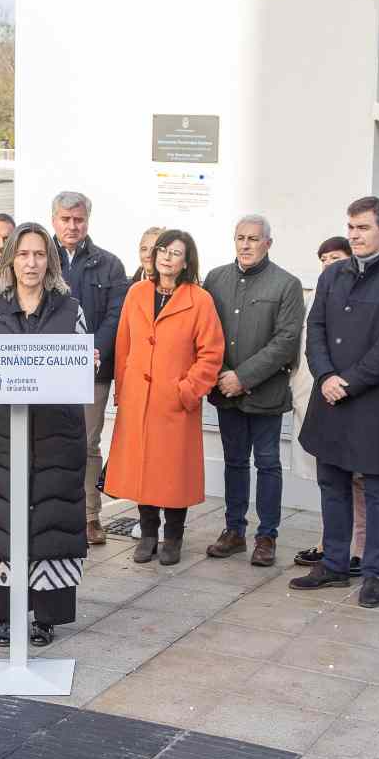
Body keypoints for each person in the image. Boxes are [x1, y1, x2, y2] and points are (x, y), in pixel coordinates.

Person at [289, 197, 379, 609]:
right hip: (329, 398)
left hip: (373, 402)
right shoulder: (332, 277)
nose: (354, 235)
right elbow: (317, 329)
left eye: (362, 228)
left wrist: (348, 382)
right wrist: (326, 377)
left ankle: (374, 573)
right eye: (350, 227)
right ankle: (333, 562)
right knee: (333, 485)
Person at [0, 221, 89, 647]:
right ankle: (4, 614)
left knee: (50, 521)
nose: (31, 262)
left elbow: (77, 370)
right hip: (1, 434)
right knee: (2, 521)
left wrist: (84, 362)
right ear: (10, 259)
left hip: (54, 434)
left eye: (39, 254)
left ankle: (45, 616)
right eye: (23, 254)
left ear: (50, 261)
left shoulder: (69, 308)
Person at [104, 229, 225, 566]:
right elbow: (123, 343)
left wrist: (186, 390)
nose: (167, 258)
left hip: (175, 403)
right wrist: (123, 389)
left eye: (176, 253)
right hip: (139, 401)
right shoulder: (137, 293)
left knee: (173, 473)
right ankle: (147, 534)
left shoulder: (200, 300)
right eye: (163, 251)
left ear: (187, 261)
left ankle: (173, 536)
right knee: (144, 471)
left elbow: (211, 354)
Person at [204, 214, 304, 566]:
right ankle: (234, 531)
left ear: (268, 243)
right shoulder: (215, 279)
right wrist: (221, 373)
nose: (245, 245)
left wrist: (243, 377)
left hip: (265, 392)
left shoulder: (286, 284)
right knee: (234, 462)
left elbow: (287, 341)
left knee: (267, 464)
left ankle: (267, 537)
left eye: (253, 239)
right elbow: (204, 332)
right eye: (240, 238)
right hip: (224, 390)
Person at [52, 191, 129, 546]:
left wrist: (92, 353)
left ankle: (89, 516)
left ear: (87, 221)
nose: (72, 225)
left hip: (93, 371)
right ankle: (50, 512)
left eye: (78, 219)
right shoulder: (39, 256)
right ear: (54, 220)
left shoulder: (109, 264)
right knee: (46, 440)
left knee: (86, 443)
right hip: (45, 369)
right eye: (66, 219)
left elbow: (116, 315)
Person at [291, 237, 367, 577]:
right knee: (329, 479)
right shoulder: (317, 296)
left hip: (351, 397)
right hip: (316, 397)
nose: (328, 263)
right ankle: (330, 544)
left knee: (358, 480)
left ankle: (360, 550)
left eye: (335, 257)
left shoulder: (358, 295)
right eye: (323, 258)